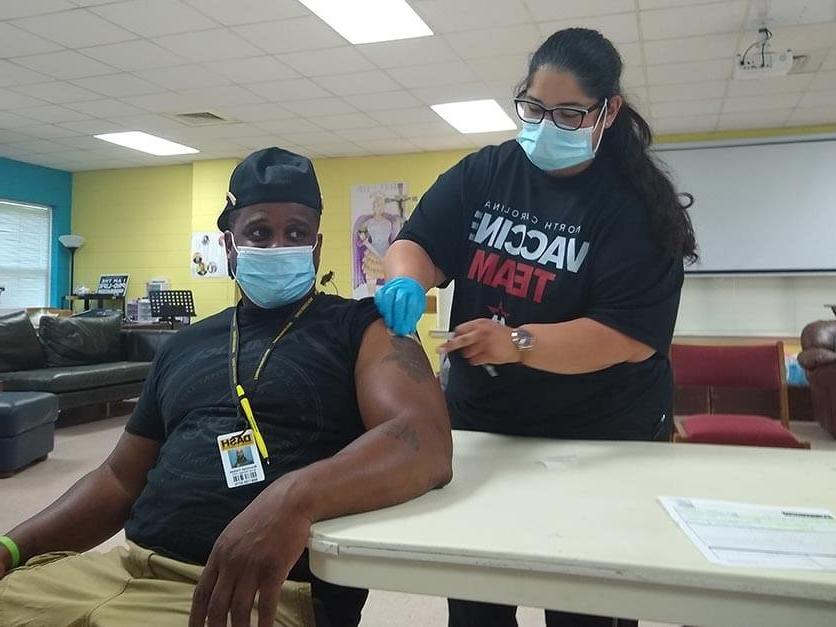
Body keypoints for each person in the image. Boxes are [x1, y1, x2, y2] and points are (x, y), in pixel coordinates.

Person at [0, 147, 453, 627]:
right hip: (117, 571)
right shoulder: (184, 344)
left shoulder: (363, 327)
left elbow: (423, 441)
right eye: (259, 232)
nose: (279, 246)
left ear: (316, 248)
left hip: (255, 593)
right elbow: (118, 479)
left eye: (296, 233)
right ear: (230, 247)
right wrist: (13, 547)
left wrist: (294, 498)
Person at [375, 28, 697, 627]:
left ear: (609, 111)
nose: (546, 125)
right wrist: (405, 282)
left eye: (570, 113)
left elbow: (625, 336)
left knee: (584, 602)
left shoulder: (632, 206)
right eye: (533, 107)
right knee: (477, 593)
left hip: (599, 435)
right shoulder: (489, 172)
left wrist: (520, 342)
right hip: (487, 423)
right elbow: (419, 241)